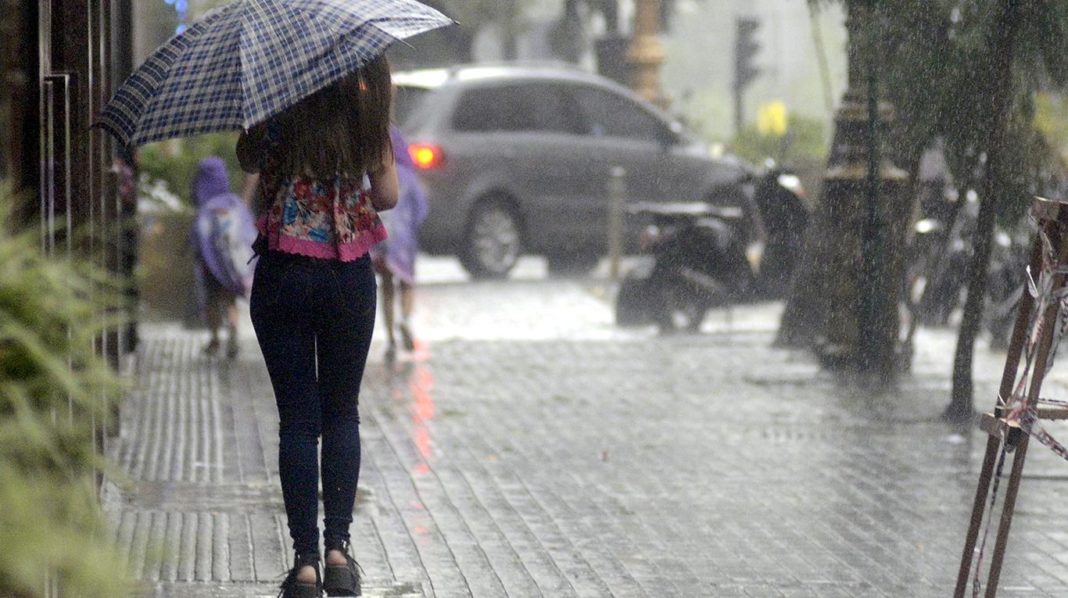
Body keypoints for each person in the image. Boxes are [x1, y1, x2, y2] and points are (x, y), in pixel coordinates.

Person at [237, 55, 398, 598]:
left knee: (298, 423)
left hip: (282, 275)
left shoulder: (274, 109)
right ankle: (337, 552)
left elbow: (250, 164)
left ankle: (303, 562)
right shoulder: (364, 110)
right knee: (341, 412)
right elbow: (389, 196)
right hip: (346, 278)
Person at [370, 128, 428, 362]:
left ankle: (391, 338)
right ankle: (405, 318)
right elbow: (420, 210)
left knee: (385, 285)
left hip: (381, 240)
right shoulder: (409, 179)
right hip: (403, 243)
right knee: (406, 282)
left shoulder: (377, 174)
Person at [190, 156, 256, 359]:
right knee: (230, 300)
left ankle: (215, 339)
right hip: (231, 268)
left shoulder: (205, 209)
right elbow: (247, 234)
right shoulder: (234, 204)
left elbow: (198, 238)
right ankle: (233, 329)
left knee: (211, 300)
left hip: (209, 267)